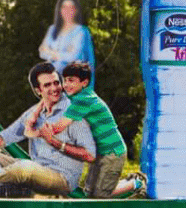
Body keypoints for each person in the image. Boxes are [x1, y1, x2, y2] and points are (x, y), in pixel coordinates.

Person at [0, 62, 96, 197]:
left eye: (56, 83)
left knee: (24, 167)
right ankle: (6, 186)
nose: (54, 88)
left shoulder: (72, 113)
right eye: (47, 85)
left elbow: (90, 154)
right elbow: (3, 138)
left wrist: (59, 144)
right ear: (38, 90)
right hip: (35, 169)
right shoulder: (34, 114)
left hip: (62, 177)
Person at [39, 61, 126, 198]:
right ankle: (128, 184)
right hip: (100, 152)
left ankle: (135, 183)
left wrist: (41, 131)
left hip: (112, 152)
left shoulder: (83, 100)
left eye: (71, 80)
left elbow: (59, 127)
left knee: (100, 195)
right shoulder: (79, 95)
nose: (66, 84)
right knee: (89, 192)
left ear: (84, 83)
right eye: (65, 80)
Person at [39, 0, 96, 86]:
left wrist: (51, 52)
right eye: (64, 7)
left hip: (74, 82)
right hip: (53, 81)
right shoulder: (52, 29)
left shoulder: (81, 31)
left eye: (71, 8)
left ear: (76, 10)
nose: (67, 11)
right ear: (59, 10)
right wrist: (63, 54)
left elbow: (74, 57)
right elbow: (42, 52)